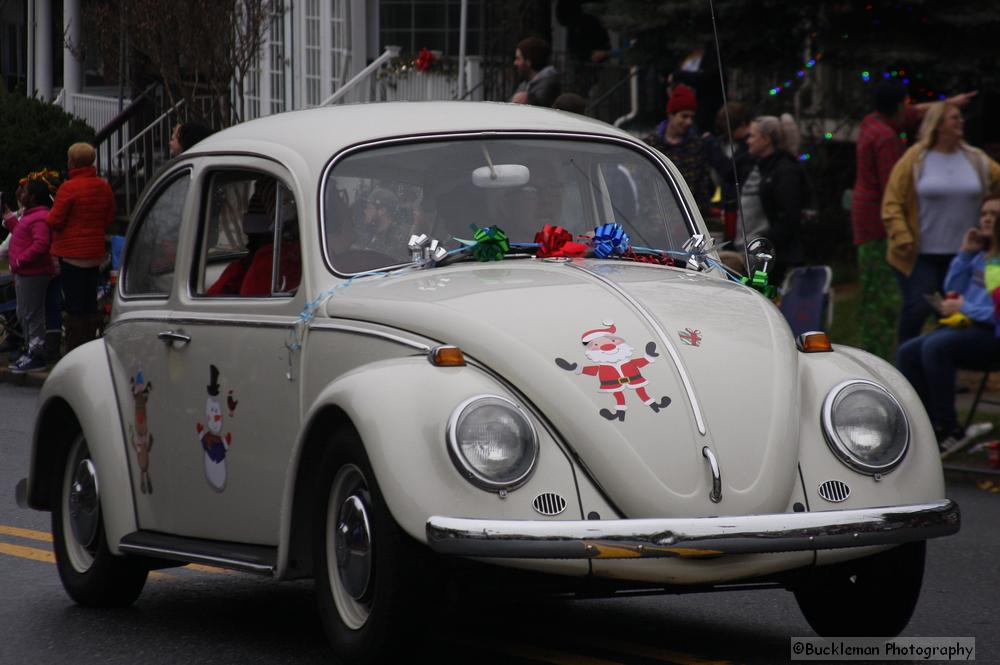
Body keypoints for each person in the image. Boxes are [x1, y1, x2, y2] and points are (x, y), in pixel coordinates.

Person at [852, 82, 978, 360]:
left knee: (922, 300)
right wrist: (904, 230)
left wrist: (952, 101)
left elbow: (912, 113)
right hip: (881, 227)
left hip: (870, 224)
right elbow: (898, 190)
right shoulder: (887, 140)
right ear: (898, 106)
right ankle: (883, 359)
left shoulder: (871, 122)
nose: (910, 110)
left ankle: (927, 356)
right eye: (905, 104)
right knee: (890, 300)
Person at [882, 102, 1000, 344]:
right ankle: (903, 364)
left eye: (960, 118)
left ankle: (940, 368)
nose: (960, 122)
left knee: (953, 313)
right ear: (937, 125)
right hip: (919, 252)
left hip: (966, 253)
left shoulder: (976, 159)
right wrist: (901, 234)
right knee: (918, 306)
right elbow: (892, 202)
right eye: (954, 118)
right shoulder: (915, 159)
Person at [896, 194, 1000, 454]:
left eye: (995, 215)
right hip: (968, 327)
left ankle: (949, 428)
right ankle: (925, 425)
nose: (987, 219)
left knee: (936, 346)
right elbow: (952, 288)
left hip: (991, 333)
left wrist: (963, 307)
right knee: (908, 351)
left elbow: (996, 314)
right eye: (984, 213)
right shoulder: (980, 256)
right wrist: (965, 254)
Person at [46, 142, 116, 351]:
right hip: (94, 252)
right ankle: (92, 344)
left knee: (74, 306)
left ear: (72, 161)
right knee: (89, 302)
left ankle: (76, 348)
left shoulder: (68, 188)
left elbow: (55, 220)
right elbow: (110, 216)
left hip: (72, 254)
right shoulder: (103, 186)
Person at [733, 114, 807, 285]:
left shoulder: (785, 171)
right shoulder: (759, 166)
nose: (748, 141)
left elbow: (789, 218)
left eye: (752, 136)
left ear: (766, 139)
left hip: (776, 260)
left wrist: (762, 242)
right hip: (757, 256)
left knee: (766, 303)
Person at [3, 175, 58, 372]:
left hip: (33, 272)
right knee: (23, 312)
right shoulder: (31, 215)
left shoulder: (40, 217)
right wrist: (8, 216)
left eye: (25, 192)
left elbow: (41, 244)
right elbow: (20, 233)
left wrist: (20, 260)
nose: (22, 195)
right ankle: (30, 349)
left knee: (32, 314)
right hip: (25, 272)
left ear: (33, 197)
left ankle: (36, 353)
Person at [643, 84, 713, 219]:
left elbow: (702, 187)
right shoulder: (651, 144)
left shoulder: (696, 146)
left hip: (686, 221)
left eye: (692, 117)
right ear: (671, 114)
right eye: (684, 116)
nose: (688, 122)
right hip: (653, 220)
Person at [510, 37, 561, 108]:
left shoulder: (547, 84)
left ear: (528, 62)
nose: (515, 63)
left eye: (518, 59)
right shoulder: (525, 84)